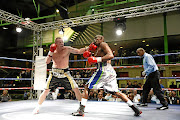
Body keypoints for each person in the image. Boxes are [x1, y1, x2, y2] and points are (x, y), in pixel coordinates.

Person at [72, 35, 142, 117]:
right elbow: (96, 57)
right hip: (109, 71)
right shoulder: (96, 48)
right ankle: (134, 108)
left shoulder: (103, 44)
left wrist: (96, 59)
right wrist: (90, 54)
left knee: (87, 87)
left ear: (101, 39)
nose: (95, 39)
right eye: (94, 38)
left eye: (97, 38)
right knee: (117, 92)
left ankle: (81, 110)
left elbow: (111, 55)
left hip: (103, 70)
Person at [32, 37, 87, 114]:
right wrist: (50, 52)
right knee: (46, 90)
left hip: (65, 73)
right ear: (56, 44)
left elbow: (78, 51)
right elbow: (47, 62)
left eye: (62, 42)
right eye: (60, 42)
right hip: (54, 73)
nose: (62, 43)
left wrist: (88, 48)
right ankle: (37, 108)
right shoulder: (53, 51)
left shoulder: (67, 49)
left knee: (76, 88)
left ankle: (81, 108)